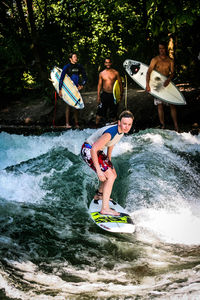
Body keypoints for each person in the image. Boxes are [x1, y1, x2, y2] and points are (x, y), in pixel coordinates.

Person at [81, 110, 134, 216]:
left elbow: (111, 144)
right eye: (124, 124)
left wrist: (108, 161)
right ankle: (105, 208)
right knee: (109, 176)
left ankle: (99, 195)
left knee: (113, 174)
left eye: (129, 124)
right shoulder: (111, 132)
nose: (126, 127)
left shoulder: (121, 132)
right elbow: (94, 149)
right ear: (119, 122)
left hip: (96, 150)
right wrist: (99, 171)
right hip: (88, 150)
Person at [146, 41, 179, 132]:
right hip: (157, 84)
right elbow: (148, 72)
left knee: (172, 104)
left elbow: (172, 73)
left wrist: (169, 79)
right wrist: (147, 85)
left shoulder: (170, 61)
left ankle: (176, 126)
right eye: (160, 48)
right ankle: (163, 125)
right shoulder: (155, 60)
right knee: (159, 105)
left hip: (167, 84)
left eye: (163, 48)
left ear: (166, 49)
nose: (161, 50)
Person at [59, 53, 87, 128]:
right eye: (74, 57)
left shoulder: (79, 66)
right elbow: (61, 78)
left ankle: (76, 123)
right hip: (68, 89)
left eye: (76, 57)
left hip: (76, 89)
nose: (76, 58)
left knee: (76, 106)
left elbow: (85, 77)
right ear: (70, 59)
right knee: (68, 106)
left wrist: (82, 85)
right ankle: (67, 123)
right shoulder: (66, 67)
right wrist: (60, 89)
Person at [96, 57, 123, 127]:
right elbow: (99, 85)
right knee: (99, 113)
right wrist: (98, 96)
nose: (108, 64)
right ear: (104, 64)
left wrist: (120, 95)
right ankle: (95, 128)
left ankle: (115, 129)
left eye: (109, 62)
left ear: (111, 63)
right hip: (104, 95)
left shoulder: (115, 73)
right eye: (106, 62)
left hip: (113, 95)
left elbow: (120, 84)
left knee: (113, 114)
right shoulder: (101, 73)